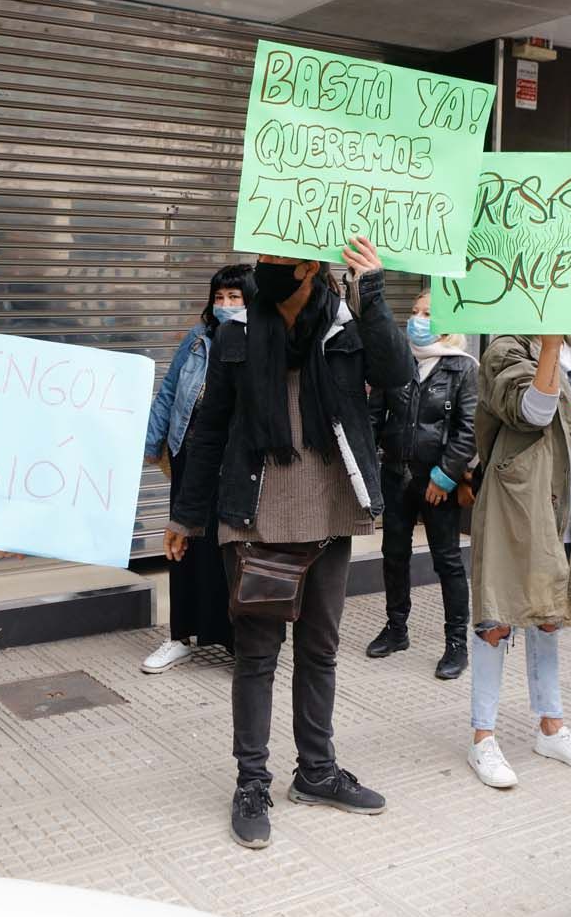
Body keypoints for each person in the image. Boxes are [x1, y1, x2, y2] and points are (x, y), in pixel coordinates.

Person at [164, 236, 410, 851]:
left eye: (274, 263)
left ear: (307, 268)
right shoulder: (237, 333)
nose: (260, 272)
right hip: (255, 518)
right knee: (257, 655)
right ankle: (252, 783)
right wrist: (185, 516)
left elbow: (398, 373)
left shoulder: (346, 325)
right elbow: (211, 425)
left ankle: (317, 772)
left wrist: (374, 289)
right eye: (260, 261)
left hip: (329, 512)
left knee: (320, 652)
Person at [465, 334, 571, 791]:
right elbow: (532, 413)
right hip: (520, 502)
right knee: (497, 615)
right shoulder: (507, 348)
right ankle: (483, 736)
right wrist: (547, 347)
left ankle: (551, 726)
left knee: (550, 615)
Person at [141, 263, 254, 674]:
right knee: (183, 548)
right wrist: (153, 445)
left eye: (234, 298)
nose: (224, 305)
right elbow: (169, 391)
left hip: (232, 465)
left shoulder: (260, 341)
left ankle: (236, 641)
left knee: (229, 553)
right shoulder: (197, 338)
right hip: (190, 456)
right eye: (219, 297)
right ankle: (179, 637)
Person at [366, 289, 477, 679]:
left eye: (427, 313)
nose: (418, 318)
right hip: (396, 474)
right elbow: (373, 418)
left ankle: (456, 645)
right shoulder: (396, 362)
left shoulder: (463, 368)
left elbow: (468, 429)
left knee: (446, 561)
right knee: (393, 554)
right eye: (414, 311)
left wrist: (445, 475)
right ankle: (396, 629)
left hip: (438, 482)